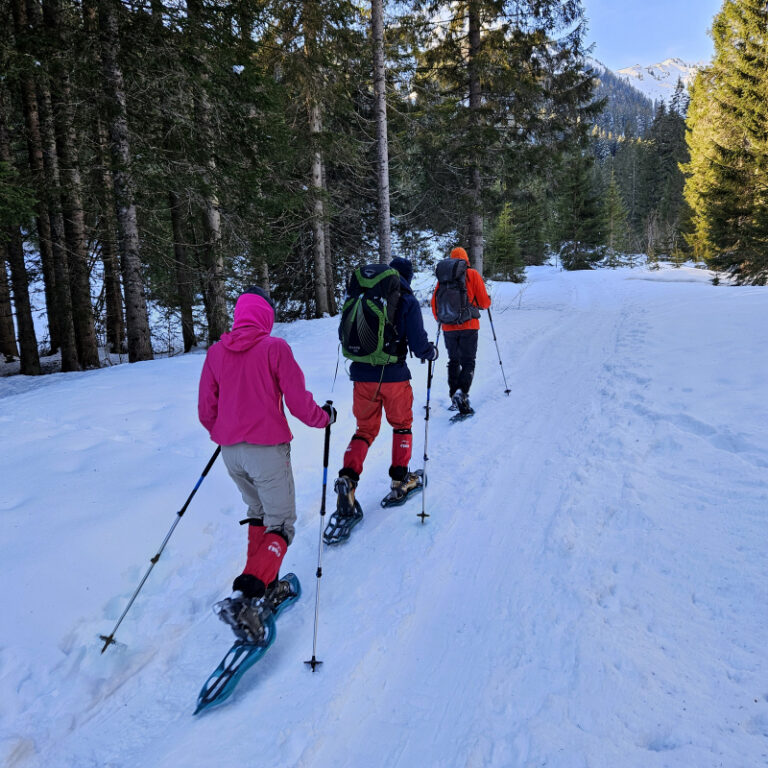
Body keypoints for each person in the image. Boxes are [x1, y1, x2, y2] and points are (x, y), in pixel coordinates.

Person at [198, 286, 335, 642]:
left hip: (231, 452)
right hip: (266, 450)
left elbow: (206, 409)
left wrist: (225, 431)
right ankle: (247, 597)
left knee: (258, 512)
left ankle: (263, 584)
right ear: (266, 317)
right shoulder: (275, 348)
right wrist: (324, 418)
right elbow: (298, 402)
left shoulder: (216, 352)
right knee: (282, 524)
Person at [336, 257, 438, 512]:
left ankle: (348, 480)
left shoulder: (363, 295)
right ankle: (400, 480)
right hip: (394, 377)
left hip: (362, 376)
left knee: (364, 430)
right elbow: (419, 344)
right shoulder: (407, 300)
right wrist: (431, 353)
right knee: (402, 425)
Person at [431, 247, 491, 415]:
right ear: (466, 260)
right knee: (468, 361)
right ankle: (461, 393)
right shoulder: (472, 274)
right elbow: (484, 302)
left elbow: (435, 302)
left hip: (448, 327)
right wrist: (486, 303)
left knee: (453, 360)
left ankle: (454, 396)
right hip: (469, 325)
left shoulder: (444, 278)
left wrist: (441, 319)